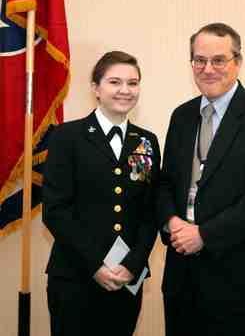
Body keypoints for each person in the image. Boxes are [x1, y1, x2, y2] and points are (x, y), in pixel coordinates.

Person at [156, 23, 245, 336]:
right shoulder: (181, 116)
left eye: (219, 60)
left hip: (240, 285)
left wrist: (205, 234)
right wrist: (171, 221)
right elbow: (165, 184)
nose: (208, 69)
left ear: (238, 62)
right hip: (182, 280)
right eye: (199, 60)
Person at [43, 51, 160, 336]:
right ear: (96, 88)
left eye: (133, 83)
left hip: (126, 278)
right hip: (75, 276)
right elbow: (56, 211)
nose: (125, 90)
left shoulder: (146, 141)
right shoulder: (66, 137)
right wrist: (95, 265)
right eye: (114, 82)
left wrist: (133, 265)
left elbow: (150, 210)